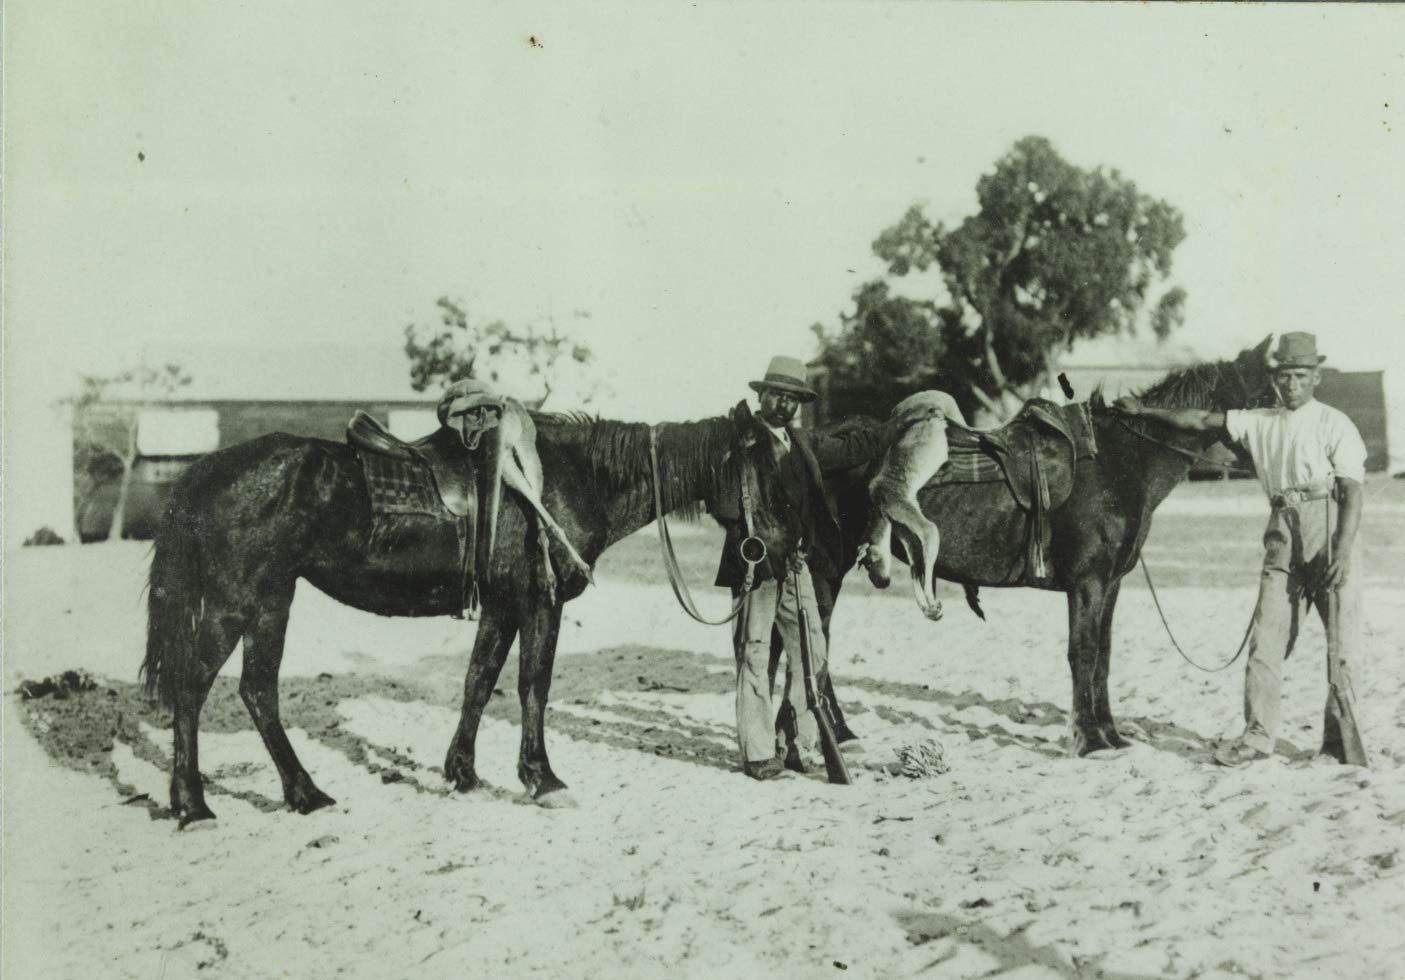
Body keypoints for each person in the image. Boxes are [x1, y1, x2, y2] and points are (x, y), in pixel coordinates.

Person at [1114, 332, 1369, 768]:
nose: (1291, 384)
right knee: (1266, 639)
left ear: (1315, 378)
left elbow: (1352, 491)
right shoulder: (1259, 420)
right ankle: (1257, 738)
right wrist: (1143, 410)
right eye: (1284, 376)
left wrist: (1342, 552)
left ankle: (1338, 743)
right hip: (1282, 530)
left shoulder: (1334, 423)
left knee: (1341, 643)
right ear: (1275, 379)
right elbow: (1199, 420)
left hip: (1328, 526)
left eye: (1300, 376)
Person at [716, 355, 935, 780]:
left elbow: (856, 447)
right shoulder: (736, 445)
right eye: (776, 395)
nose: (783, 405)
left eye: (792, 398)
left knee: (812, 653)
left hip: (797, 565)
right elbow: (724, 505)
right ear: (761, 396)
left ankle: (798, 745)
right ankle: (759, 754)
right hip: (756, 568)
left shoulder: (803, 444)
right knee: (755, 655)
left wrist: (899, 424)